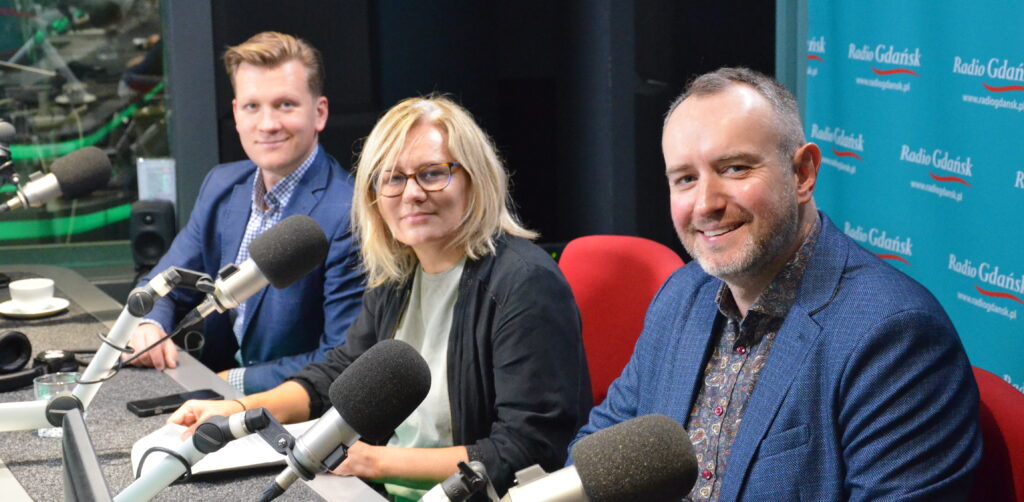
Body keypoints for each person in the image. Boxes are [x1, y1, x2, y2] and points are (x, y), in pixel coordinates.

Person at [571, 67, 981, 501]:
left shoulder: (895, 336)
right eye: (685, 179)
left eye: (734, 168)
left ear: (803, 173)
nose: (706, 204)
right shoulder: (680, 295)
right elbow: (596, 456)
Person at [167, 95, 592, 500]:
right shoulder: (398, 274)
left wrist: (372, 462)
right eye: (392, 177)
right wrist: (237, 412)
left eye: (431, 173)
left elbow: (527, 451)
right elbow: (334, 375)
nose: (411, 193)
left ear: (474, 180)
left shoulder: (525, 283)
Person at [124, 32, 365, 394]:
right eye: (253, 107)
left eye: (285, 105)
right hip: (211, 403)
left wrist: (229, 381)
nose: (267, 124)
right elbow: (163, 284)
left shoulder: (348, 214)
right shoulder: (221, 186)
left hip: (302, 417)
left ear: (320, 113)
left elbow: (341, 359)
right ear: (237, 114)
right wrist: (150, 324)